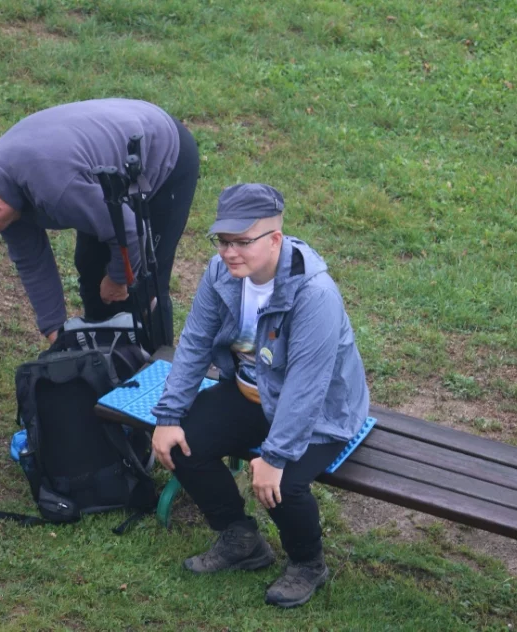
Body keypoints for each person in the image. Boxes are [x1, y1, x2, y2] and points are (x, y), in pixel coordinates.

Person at [150, 183, 370, 608]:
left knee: (284, 482)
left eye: (242, 242)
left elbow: (307, 386)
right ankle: (240, 538)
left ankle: (308, 563)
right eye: (223, 241)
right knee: (183, 443)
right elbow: (194, 343)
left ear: (274, 239)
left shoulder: (314, 295)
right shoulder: (221, 275)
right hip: (252, 393)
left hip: (321, 410)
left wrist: (275, 458)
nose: (229, 252)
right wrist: (168, 414)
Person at [0, 98, 199, 344]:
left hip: (161, 152)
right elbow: (31, 261)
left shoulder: (54, 189)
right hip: (102, 173)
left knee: (144, 283)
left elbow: (128, 232)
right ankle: (104, 362)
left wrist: (118, 279)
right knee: (91, 264)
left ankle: (157, 372)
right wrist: (56, 335)